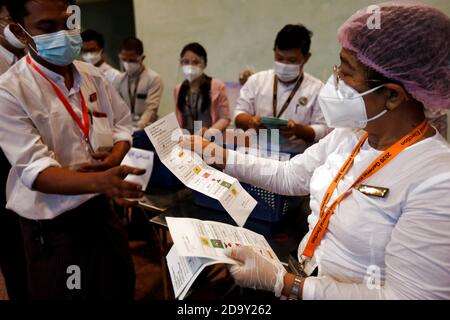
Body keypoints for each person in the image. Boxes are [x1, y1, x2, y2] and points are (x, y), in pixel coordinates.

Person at [182, 3, 450, 299]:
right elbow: (290, 175)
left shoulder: (437, 181)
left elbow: (407, 296)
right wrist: (215, 154)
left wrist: (286, 284)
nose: (335, 80)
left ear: (392, 95)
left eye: (346, 73)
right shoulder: (353, 135)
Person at [0, 0, 146, 300]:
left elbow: (121, 124)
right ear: (20, 31)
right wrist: (101, 180)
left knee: (118, 286)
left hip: (102, 213)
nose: (62, 34)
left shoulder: (92, 75)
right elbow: (35, 170)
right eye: (47, 27)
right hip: (55, 229)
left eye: (67, 22)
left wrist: (115, 156)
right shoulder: (10, 90)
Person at [234, 24, 330, 155]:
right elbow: (239, 114)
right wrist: (251, 121)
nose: (285, 65)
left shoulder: (317, 88)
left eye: (292, 60)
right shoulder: (256, 81)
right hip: (256, 150)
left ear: (306, 58)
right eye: (279, 58)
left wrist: (297, 130)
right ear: (274, 51)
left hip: (296, 155)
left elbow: (324, 129)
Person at [0, 0, 27, 301]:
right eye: (10, 18)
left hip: (35, 176)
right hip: (4, 176)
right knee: (15, 258)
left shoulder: (30, 57)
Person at [175, 42, 231, 136]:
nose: (190, 66)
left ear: (204, 64)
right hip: (188, 140)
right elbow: (179, 120)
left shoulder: (217, 86)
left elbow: (225, 118)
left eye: (195, 62)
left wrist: (209, 133)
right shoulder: (178, 89)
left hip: (212, 140)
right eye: (186, 61)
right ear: (181, 63)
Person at [114, 36, 163, 129]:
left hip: (147, 128)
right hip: (125, 127)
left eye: (132, 60)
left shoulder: (154, 79)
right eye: (124, 60)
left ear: (142, 58)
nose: (127, 63)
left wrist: (139, 128)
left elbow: (151, 109)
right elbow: (116, 107)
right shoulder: (118, 79)